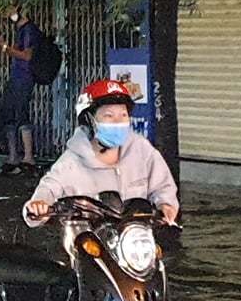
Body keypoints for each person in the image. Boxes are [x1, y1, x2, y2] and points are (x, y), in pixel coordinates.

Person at [24, 79, 179, 226]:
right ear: (90, 121)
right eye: (109, 116)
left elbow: (163, 186)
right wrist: (39, 205)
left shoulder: (141, 150)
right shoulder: (71, 162)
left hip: (136, 240)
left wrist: (166, 205)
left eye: (123, 115)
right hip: (91, 243)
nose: (118, 121)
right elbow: (48, 188)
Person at [0, 5, 42, 175]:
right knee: (8, 114)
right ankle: (13, 157)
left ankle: (27, 158)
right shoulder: (20, 30)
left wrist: (4, 48)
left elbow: (26, 55)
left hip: (24, 77)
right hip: (17, 77)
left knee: (21, 114)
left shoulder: (29, 31)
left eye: (9, 9)